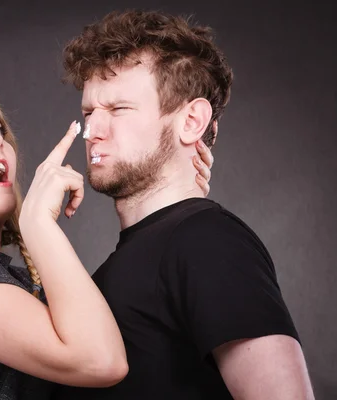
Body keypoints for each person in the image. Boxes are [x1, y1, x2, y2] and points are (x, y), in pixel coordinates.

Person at [0, 71, 214, 399]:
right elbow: (102, 360)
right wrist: (37, 224)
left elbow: (131, 340)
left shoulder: (13, 282)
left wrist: (175, 197)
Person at [51, 9, 315, 400]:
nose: (92, 131)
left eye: (119, 109)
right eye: (89, 112)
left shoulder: (208, 241)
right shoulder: (134, 262)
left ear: (191, 121)